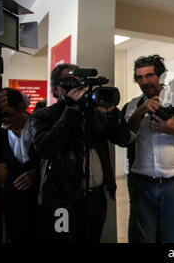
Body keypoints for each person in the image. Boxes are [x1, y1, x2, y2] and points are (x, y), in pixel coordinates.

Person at [30, 63, 131, 243]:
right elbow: (46, 149)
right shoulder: (43, 115)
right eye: (69, 83)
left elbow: (123, 139)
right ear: (55, 89)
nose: (76, 88)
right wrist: (70, 111)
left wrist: (112, 113)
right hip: (62, 201)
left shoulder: (93, 114)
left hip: (95, 199)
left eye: (79, 84)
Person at [123, 55, 174, 243]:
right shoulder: (134, 105)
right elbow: (127, 137)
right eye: (140, 77)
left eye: (149, 75)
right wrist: (141, 111)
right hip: (141, 183)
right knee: (143, 238)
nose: (144, 81)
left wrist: (173, 130)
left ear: (160, 77)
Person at [0, 88, 39, 242]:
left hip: (44, 212)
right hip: (12, 215)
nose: (3, 120)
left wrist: (38, 173)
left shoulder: (43, 131)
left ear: (20, 107)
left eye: (6, 114)